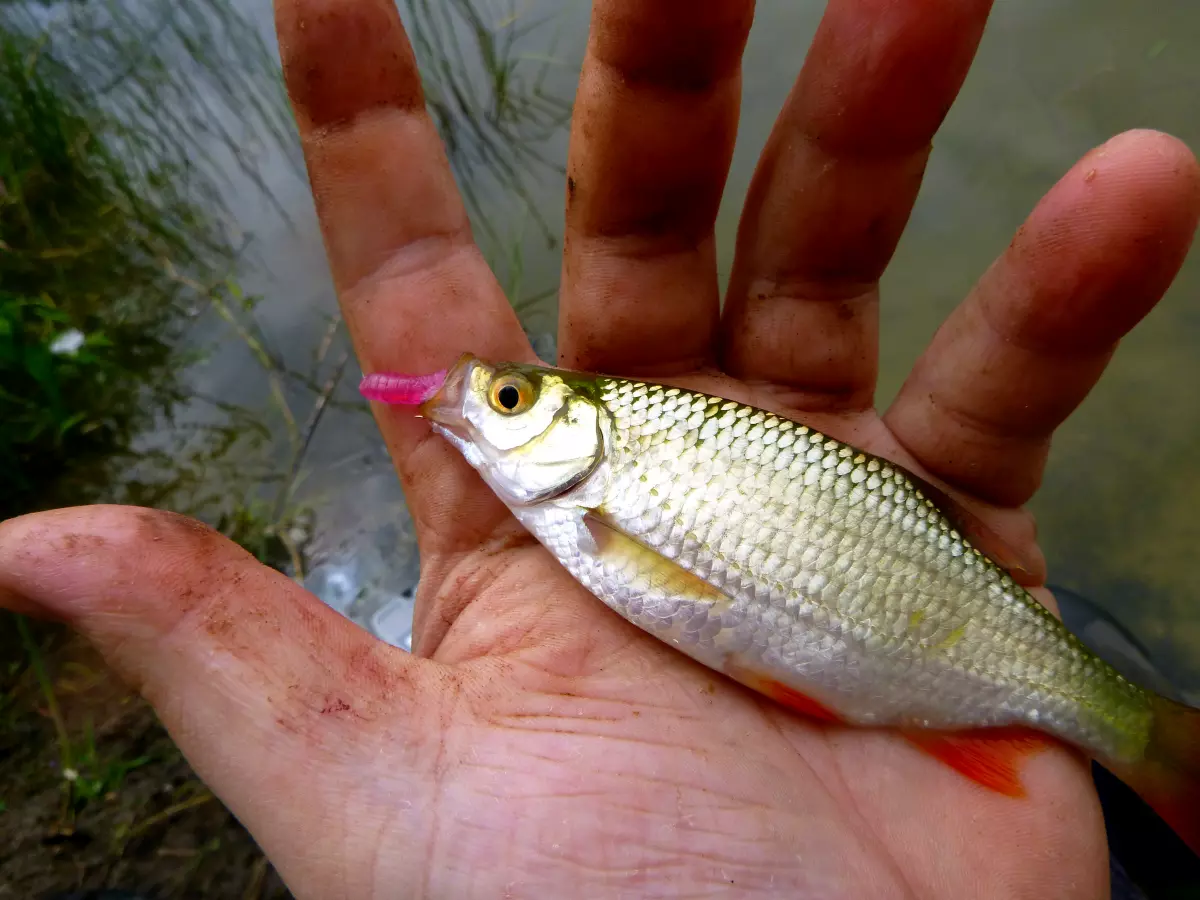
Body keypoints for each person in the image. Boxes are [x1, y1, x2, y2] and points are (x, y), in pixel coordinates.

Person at [3, 0, 1198, 896]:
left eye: (513, 401)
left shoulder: (603, 499)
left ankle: (1144, 733)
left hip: (928, 627)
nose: (485, 402)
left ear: (578, 429)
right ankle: (1131, 731)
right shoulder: (576, 506)